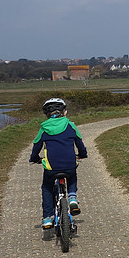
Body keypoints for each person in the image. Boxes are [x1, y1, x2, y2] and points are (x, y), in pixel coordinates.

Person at [29, 97, 87, 230]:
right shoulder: (70, 125)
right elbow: (80, 143)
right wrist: (83, 154)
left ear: (46, 114)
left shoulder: (44, 128)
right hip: (69, 164)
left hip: (51, 168)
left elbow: (36, 146)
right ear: (64, 112)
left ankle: (47, 218)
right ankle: (72, 198)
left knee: (47, 188)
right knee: (72, 175)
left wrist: (34, 158)